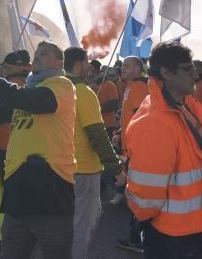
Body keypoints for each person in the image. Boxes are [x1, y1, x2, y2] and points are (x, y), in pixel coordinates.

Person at [125, 41, 202, 258]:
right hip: (176, 238)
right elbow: (145, 198)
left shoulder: (185, 107)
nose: (195, 74)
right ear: (166, 72)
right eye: (188, 68)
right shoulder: (155, 122)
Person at [0, 41, 77, 259]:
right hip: (17, 192)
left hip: (50, 189)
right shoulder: (27, 90)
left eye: (44, 53)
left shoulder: (62, 86)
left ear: (59, 63)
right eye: (36, 53)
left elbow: (29, 100)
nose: (36, 57)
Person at [64, 47, 125, 259]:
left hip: (59, 168)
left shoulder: (53, 90)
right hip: (84, 168)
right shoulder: (83, 92)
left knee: (65, 224)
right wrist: (116, 169)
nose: (90, 67)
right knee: (83, 226)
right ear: (79, 64)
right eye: (87, 62)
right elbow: (97, 135)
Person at [119, 56, 149, 148]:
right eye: (123, 66)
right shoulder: (131, 86)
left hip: (135, 146)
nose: (122, 69)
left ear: (137, 69)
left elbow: (140, 118)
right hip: (128, 145)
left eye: (126, 66)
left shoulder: (138, 86)